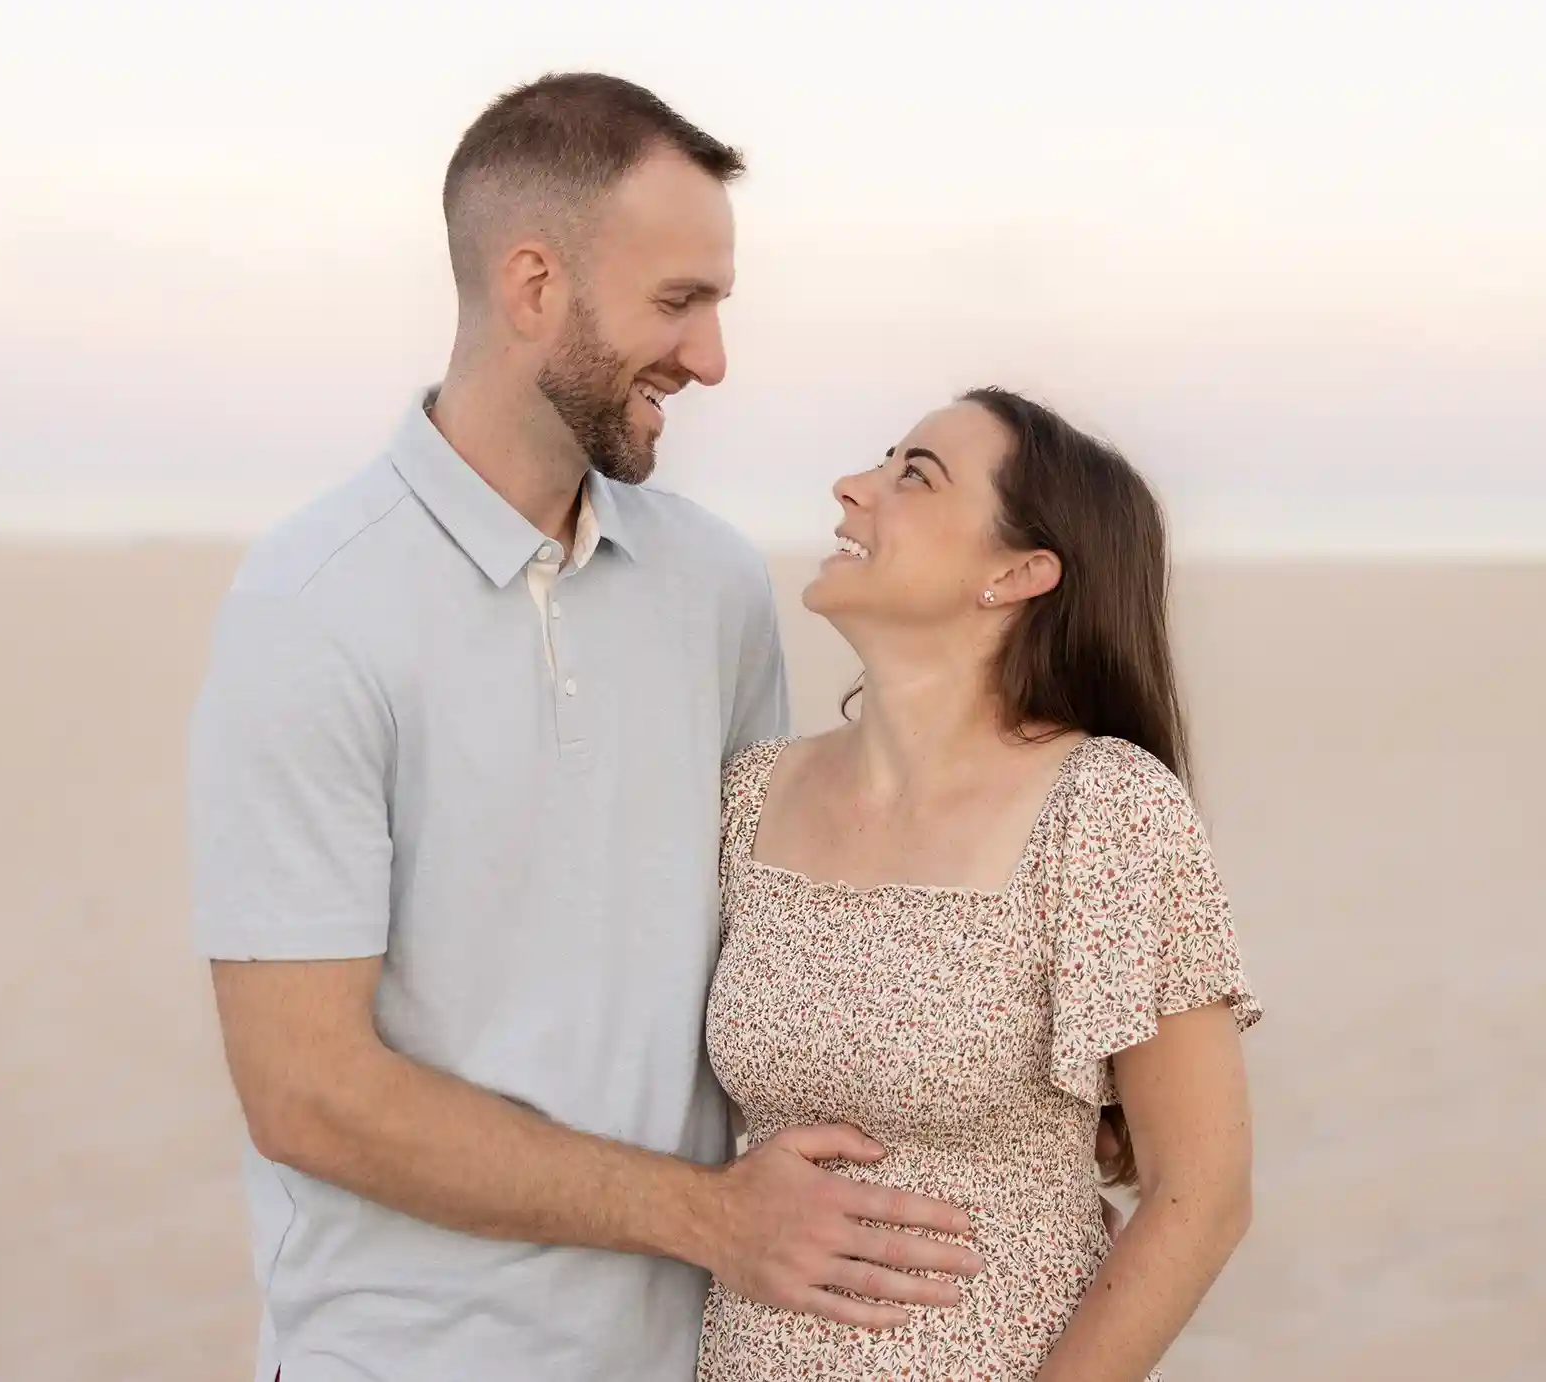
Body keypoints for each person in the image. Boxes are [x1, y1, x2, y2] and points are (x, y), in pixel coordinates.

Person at [186, 75, 981, 1382]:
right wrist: (711, 1215)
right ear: (534, 285)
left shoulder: (715, 584)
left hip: (692, 1351)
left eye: (718, 303)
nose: (713, 358)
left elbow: (769, 949)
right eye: (679, 302)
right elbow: (305, 1091)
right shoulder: (311, 607)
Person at [698, 388, 1261, 1381]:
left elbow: (1200, 1192)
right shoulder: (749, 795)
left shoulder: (1107, 809)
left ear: (1017, 571)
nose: (851, 489)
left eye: (913, 475)